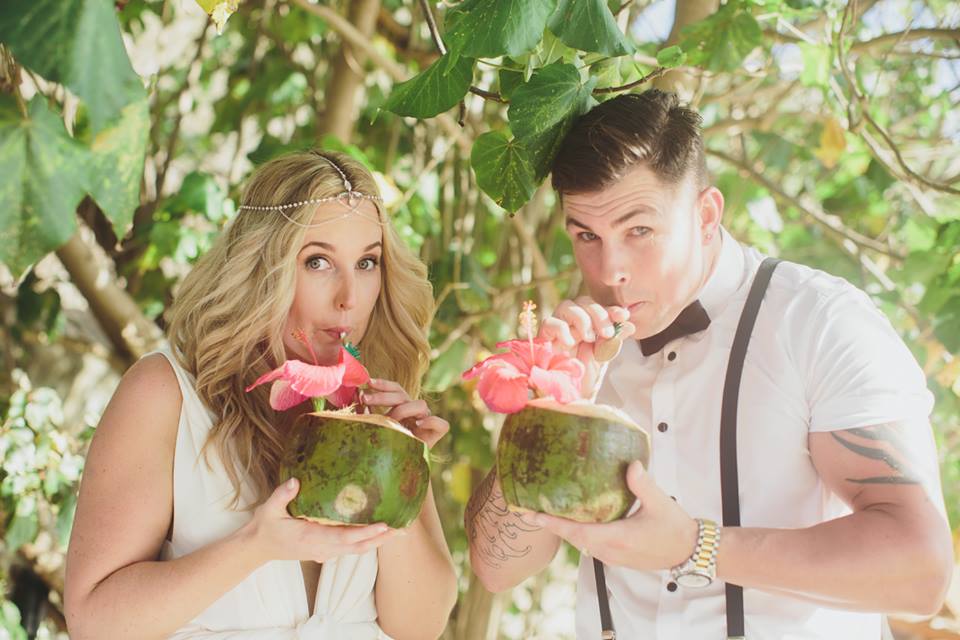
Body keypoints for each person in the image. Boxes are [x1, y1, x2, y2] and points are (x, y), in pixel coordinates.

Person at [464, 90, 954, 639]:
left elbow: (921, 572)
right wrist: (550, 410)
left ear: (705, 214)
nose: (611, 270)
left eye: (639, 230)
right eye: (586, 236)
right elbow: (496, 568)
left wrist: (694, 546)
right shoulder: (581, 348)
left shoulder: (818, 321)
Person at [64, 150, 458, 639]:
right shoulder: (165, 395)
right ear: (262, 266)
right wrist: (256, 546)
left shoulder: (370, 408)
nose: (349, 298)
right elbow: (93, 622)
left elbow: (419, 627)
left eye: (366, 262)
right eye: (318, 261)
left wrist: (402, 470)